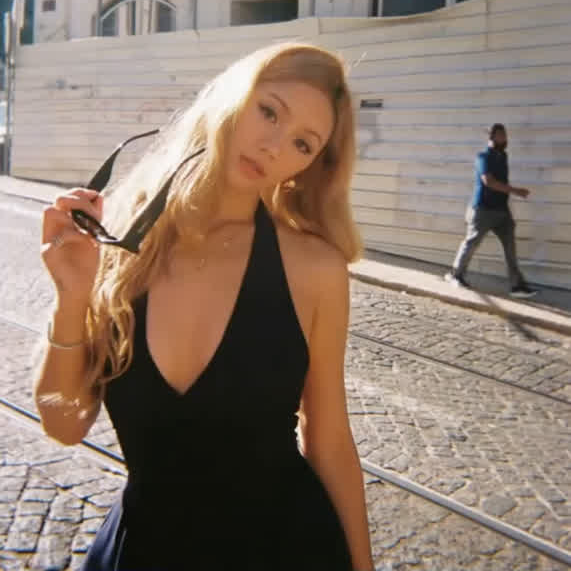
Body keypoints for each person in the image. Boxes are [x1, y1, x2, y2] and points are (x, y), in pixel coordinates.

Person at [34, 42, 376, 571]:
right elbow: (65, 424)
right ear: (231, 96)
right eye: (269, 111)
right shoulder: (121, 243)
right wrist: (72, 297)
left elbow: (328, 440)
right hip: (144, 552)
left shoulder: (315, 269)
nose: (273, 147)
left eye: (302, 144)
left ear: (308, 167)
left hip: (285, 551)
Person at [445, 123, 537, 298]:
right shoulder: (483, 157)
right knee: (471, 243)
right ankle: (455, 275)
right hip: (483, 210)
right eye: (500, 135)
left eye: (505, 135)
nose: (504, 138)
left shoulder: (503, 157)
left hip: (502, 211)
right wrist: (515, 191)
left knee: (510, 247)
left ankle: (516, 286)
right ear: (491, 137)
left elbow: (500, 182)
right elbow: (489, 182)